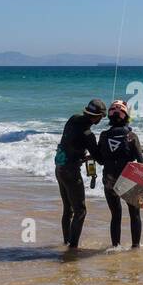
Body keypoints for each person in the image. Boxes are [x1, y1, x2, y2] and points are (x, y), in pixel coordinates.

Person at [55, 98, 106, 248]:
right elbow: (101, 160)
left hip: (60, 168)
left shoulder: (73, 119)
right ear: (96, 117)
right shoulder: (88, 135)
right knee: (81, 211)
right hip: (71, 173)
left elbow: (72, 144)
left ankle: (66, 241)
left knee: (68, 209)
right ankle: (72, 248)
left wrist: (84, 155)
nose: (102, 119)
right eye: (101, 116)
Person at [98, 100, 143, 248]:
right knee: (134, 215)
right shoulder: (131, 136)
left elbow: (100, 161)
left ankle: (115, 247)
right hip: (128, 180)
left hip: (109, 180)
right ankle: (135, 247)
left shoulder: (104, 135)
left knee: (115, 216)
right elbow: (141, 163)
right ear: (126, 117)